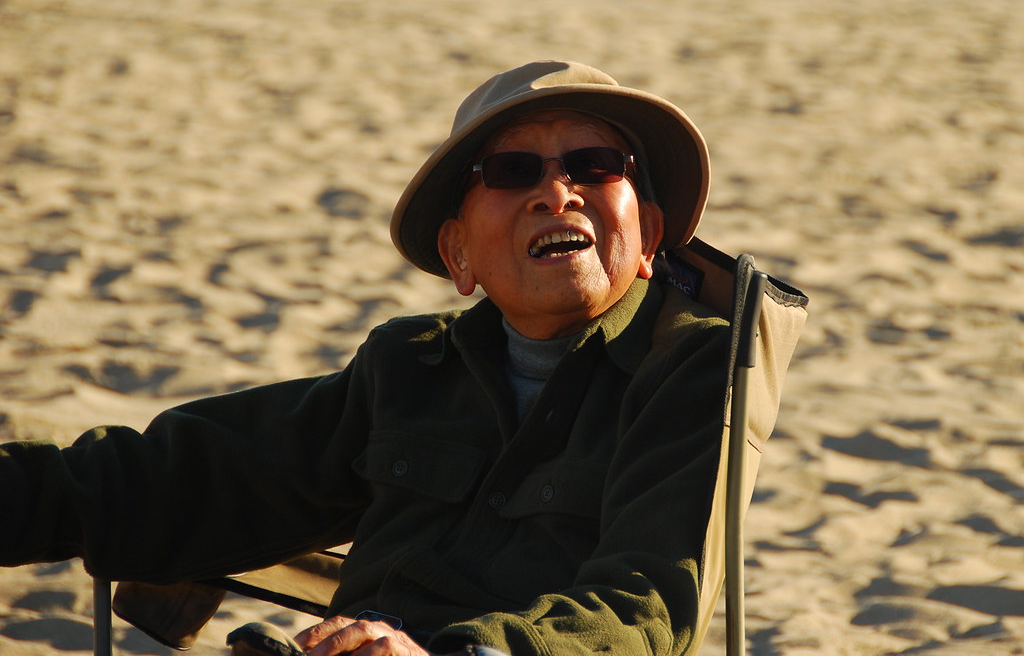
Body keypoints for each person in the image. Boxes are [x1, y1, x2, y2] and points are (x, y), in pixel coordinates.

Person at [1, 60, 730, 656]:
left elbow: (644, 604)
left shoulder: (690, 370)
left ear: (651, 237)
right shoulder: (407, 367)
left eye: (595, 164)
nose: (555, 191)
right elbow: (194, 476)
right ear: (459, 255)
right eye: (512, 171)